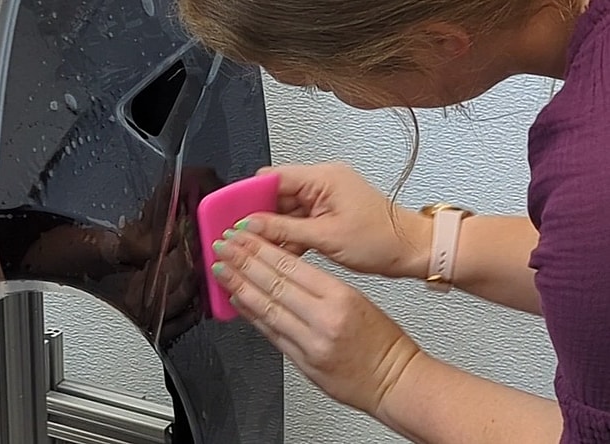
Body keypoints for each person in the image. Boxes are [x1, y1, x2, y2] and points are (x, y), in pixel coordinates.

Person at [177, 0, 610, 442]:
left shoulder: (591, 179)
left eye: (320, 83)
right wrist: (422, 241)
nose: (339, 96)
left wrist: (388, 373)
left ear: (439, 43)